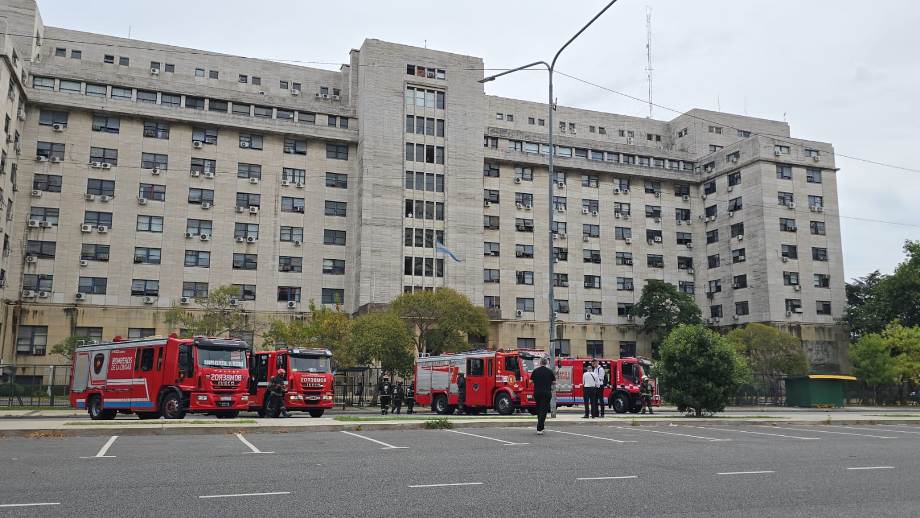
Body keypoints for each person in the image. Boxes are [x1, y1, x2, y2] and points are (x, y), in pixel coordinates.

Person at [530, 357, 556, 435]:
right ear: (546, 363)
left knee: (539, 409)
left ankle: (541, 426)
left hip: (537, 392)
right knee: (543, 411)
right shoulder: (549, 371)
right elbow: (554, 382)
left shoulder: (535, 371)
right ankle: (539, 428)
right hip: (546, 393)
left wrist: (537, 382)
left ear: (540, 363)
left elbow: (531, 381)